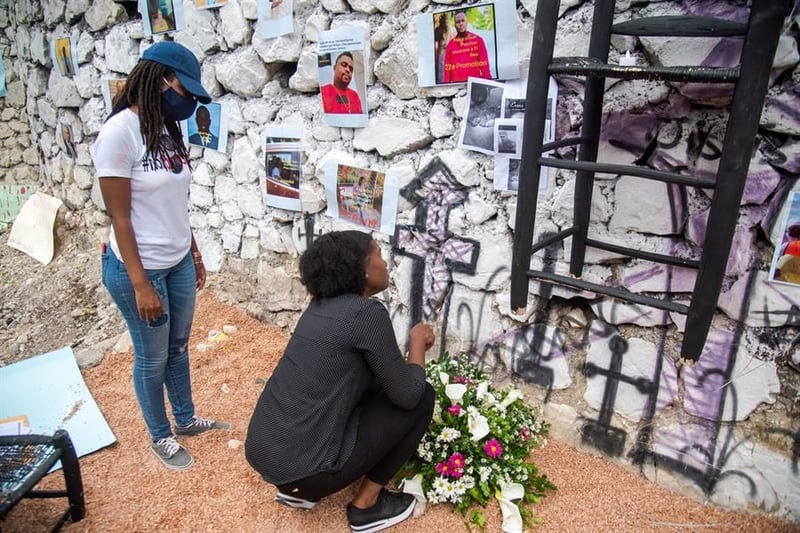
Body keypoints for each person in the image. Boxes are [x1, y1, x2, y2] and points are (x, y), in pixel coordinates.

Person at [92, 41, 230, 471]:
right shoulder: (118, 134)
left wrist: (193, 250)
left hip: (178, 260)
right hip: (140, 268)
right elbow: (120, 217)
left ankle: (186, 419)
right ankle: (160, 434)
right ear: (160, 80)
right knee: (151, 356)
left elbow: (174, 200)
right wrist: (139, 284)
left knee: (179, 347)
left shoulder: (166, 128)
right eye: (184, 90)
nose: (188, 99)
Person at [245, 231, 436, 533]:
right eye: (378, 255)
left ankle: (296, 487)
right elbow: (409, 395)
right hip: (306, 472)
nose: (385, 263)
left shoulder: (318, 307)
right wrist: (416, 344)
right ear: (362, 270)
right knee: (423, 396)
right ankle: (367, 507)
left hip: (263, 453)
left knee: (372, 384)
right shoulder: (367, 314)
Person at [442, 10, 491, 83]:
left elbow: (485, 67)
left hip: (474, 85)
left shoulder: (478, 40)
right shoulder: (450, 45)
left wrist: (488, 84)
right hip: (457, 86)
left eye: (463, 21)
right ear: (455, 25)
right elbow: (447, 73)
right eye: (458, 22)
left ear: (466, 22)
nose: (461, 23)